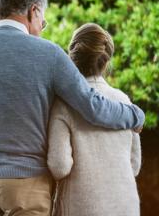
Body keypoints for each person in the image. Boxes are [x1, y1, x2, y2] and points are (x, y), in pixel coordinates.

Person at [0, 0, 145, 216]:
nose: (40, 29)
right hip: (27, 182)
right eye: (42, 22)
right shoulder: (49, 53)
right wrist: (134, 114)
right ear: (33, 11)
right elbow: (91, 106)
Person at [47, 23, 141, 216]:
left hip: (81, 206)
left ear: (72, 58)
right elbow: (135, 164)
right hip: (126, 205)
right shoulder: (124, 101)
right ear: (106, 61)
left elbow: (60, 166)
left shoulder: (63, 103)